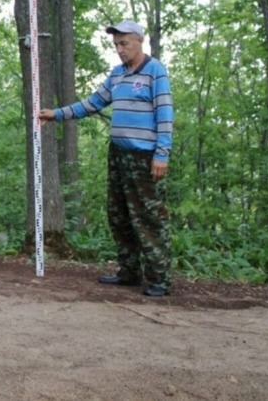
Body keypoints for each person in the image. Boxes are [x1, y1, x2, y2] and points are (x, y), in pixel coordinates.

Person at [39, 19, 174, 297]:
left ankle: (159, 278)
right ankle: (129, 272)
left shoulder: (155, 71)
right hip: (118, 154)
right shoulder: (117, 75)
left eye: (124, 43)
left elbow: (165, 113)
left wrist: (162, 152)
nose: (120, 50)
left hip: (145, 156)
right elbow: (92, 103)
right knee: (119, 214)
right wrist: (56, 114)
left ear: (139, 41)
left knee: (148, 217)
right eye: (116, 45)